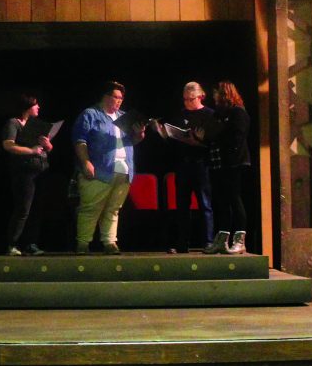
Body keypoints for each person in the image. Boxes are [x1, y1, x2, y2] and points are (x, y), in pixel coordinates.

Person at [71, 81, 146, 254]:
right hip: (100, 169)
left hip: (123, 169)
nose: (119, 101)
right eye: (116, 97)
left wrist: (139, 134)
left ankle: (110, 242)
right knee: (90, 208)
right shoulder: (90, 114)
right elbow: (80, 140)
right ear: (105, 96)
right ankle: (83, 243)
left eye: (121, 98)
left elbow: (131, 141)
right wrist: (86, 162)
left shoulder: (124, 116)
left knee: (113, 209)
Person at [159, 82, 215, 254]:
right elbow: (173, 140)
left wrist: (197, 142)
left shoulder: (209, 114)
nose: (188, 103)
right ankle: (182, 243)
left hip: (201, 164)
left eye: (191, 99)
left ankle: (208, 242)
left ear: (201, 96)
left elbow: (213, 142)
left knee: (205, 204)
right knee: (182, 205)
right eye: (185, 100)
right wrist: (164, 134)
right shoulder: (180, 114)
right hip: (182, 164)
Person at [198, 80, 251, 255]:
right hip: (217, 164)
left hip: (234, 163)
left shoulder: (238, 112)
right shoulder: (218, 114)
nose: (214, 97)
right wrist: (201, 137)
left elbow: (237, 137)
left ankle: (240, 241)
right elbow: (210, 136)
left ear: (224, 94)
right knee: (221, 201)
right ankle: (222, 240)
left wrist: (218, 134)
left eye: (216, 93)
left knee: (234, 199)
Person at [1, 94, 53, 256]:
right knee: (23, 209)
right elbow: (8, 145)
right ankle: (12, 244)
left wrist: (47, 144)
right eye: (35, 105)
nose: (38, 107)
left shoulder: (36, 125)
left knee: (37, 209)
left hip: (40, 171)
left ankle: (31, 243)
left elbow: (48, 149)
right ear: (27, 107)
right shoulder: (14, 123)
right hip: (24, 172)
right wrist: (31, 151)